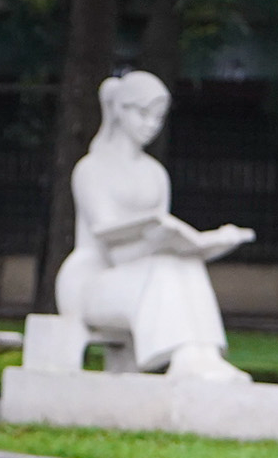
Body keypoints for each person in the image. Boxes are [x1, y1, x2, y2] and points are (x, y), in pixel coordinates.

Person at [53, 70, 253, 380]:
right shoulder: (91, 169)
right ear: (120, 110)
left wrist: (207, 244)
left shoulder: (156, 174)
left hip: (141, 272)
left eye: (158, 118)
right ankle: (188, 358)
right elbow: (106, 234)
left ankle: (202, 355)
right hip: (91, 282)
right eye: (143, 114)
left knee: (184, 264)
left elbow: (159, 245)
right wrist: (151, 233)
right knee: (164, 267)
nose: (151, 125)